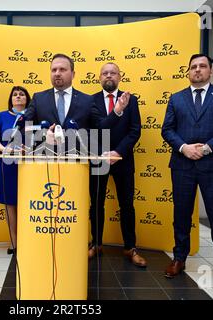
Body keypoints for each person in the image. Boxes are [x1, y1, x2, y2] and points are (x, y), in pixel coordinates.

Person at [161, 53, 213, 291]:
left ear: (210, 71)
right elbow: (167, 130)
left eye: (202, 66)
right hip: (182, 165)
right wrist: (184, 148)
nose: (197, 70)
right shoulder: (176, 98)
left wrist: (205, 148)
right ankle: (179, 259)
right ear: (188, 71)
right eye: (193, 66)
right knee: (182, 214)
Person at [88, 63, 146, 267]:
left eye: (113, 72)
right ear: (99, 78)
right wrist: (104, 154)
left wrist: (118, 152)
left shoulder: (132, 100)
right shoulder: (91, 101)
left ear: (120, 76)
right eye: (105, 73)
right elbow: (96, 128)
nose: (108, 76)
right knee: (96, 204)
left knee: (127, 205)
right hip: (98, 159)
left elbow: (135, 130)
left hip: (123, 160)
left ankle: (130, 247)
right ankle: (96, 244)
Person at [0, 86, 31, 255]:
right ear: (11, 99)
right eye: (15, 94)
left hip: (28, 165)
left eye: (22, 94)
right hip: (7, 165)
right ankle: (14, 243)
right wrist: (4, 149)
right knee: (10, 204)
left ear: (27, 99)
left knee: (28, 203)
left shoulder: (32, 116)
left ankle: (28, 240)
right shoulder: (2, 116)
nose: (18, 97)